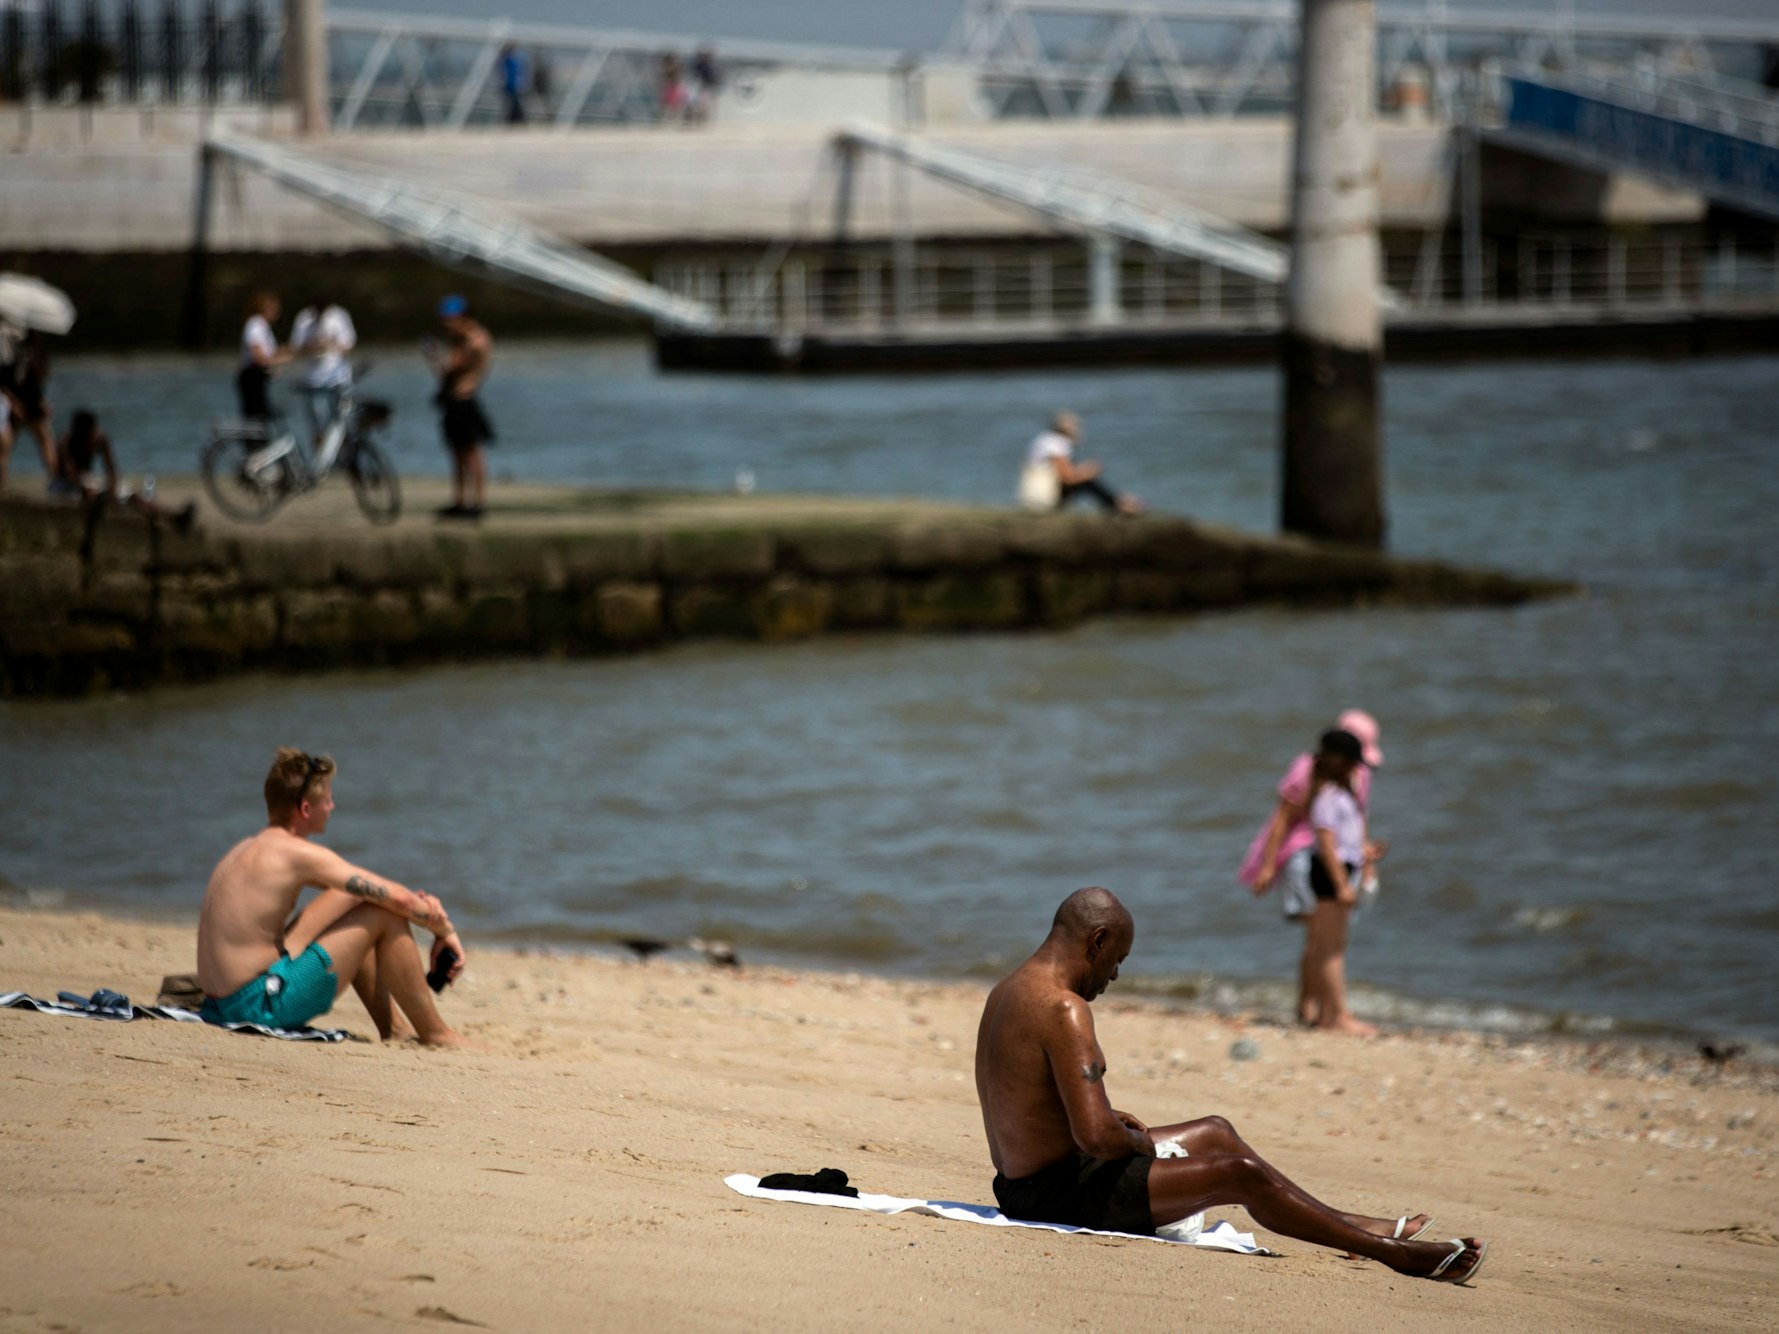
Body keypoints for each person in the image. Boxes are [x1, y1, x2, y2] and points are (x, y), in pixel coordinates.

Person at [975, 887, 1488, 1282]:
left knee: (1216, 1131)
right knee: (1240, 1174)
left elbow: (1030, 1104)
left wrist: (1109, 1122)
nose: (1114, 976)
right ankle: (1393, 1253)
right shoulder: (1065, 1008)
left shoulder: (1009, 990)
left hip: (1023, 1183)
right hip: (1058, 1194)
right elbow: (1097, 1140)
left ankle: (1353, 1224)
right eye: (1118, 960)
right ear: (1098, 941)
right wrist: (1134, 1141)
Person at [196, 748, 472, 1047]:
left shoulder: (245, 849)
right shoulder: (297, 853)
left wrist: (417, 906)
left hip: (222, 1004)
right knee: (383, 913)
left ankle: (395, 1028)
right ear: (305, 808)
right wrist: (444, 930)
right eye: (327, 799)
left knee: (355, 897)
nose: (332, 805)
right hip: (259, 1006)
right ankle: (436, 1033)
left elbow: (366, 891)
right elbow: (401, 902)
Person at [1239, 710, 1387, 1028]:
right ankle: (1327, 1011)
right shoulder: (1318, 783)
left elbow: (1355, 824)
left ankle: (1318, 1009)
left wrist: (1366, 859)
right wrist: (1267, 867)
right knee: (1324, 942)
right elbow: (1286, 821)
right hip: (1312, 862)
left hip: (1334, 862)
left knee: (1323, 940)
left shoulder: (1350, 781)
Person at [48, 409, 196, 531]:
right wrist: (87, 489)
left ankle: (174, 517)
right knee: (94, 496)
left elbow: (111, 470)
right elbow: (70, 473)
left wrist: (112, 490)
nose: (95, 433)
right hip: (64, 485)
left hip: (87, 481)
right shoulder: (66, 443)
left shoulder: (100, 440)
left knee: (133, 496)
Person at [426, 295, 496, 520]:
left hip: (465, 401)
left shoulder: (475, 341)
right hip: (454, 401)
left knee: (472, 454)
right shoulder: (461, 339)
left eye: (450, 320)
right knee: (456, 453)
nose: (447, 326)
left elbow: (449, 370)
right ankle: (460, 501)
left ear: (463, 318)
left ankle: (478, 503)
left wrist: (433, 356)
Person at [1017, 411, 1142, 515]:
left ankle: (1117, 503)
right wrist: (1088, 471)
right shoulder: (1057, 443)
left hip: (1033, 496)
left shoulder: (1044, 439)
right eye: (1076, 426)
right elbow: (1067, 478)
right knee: (1087, 480)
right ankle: (1119, 504)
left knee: (1084, 477)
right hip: (1043, 498)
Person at [288, 295, 357, 452]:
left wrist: (331, 344)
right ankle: (321, 458)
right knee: (317, 425)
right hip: (312, 380)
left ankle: (344, 456)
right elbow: (295, 348)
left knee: (341, 422)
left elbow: (349, 345)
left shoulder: (339, 315)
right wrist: (312, 346)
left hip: (338, 378)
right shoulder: (304, 319)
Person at [0, 329, 58, 487]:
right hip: (22, 404)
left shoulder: (29, 356)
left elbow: (36, 384)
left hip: (28, 404)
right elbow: (7, 383)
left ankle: (55, 479)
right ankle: (3, 484)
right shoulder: (19, 356)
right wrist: (14, 404)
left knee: (44, 443)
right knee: (6, 446)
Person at [236, 291, 286, 422]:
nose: (277, 313)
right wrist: (279, 360)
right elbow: (257, 356)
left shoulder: (263, 326)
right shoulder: (255, 325)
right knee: (257, 416)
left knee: (263, 415)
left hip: (259, 377)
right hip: (252, 376)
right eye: (274, 309)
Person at [688, 46, 721, 124]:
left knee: (703, 104)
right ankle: (700, 118)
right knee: (701, 103)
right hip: (702, 86)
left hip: (706, 86)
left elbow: (714, 78)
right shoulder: (702, 66)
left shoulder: (708, 66)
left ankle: (702, 118)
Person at [499, 42, 529, 125]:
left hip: (513, 86)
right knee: (514, 104)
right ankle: (516, 119)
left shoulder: (510, 60)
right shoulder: (509, 61)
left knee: (514, 104)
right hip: (512, 86)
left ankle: (515, 119)